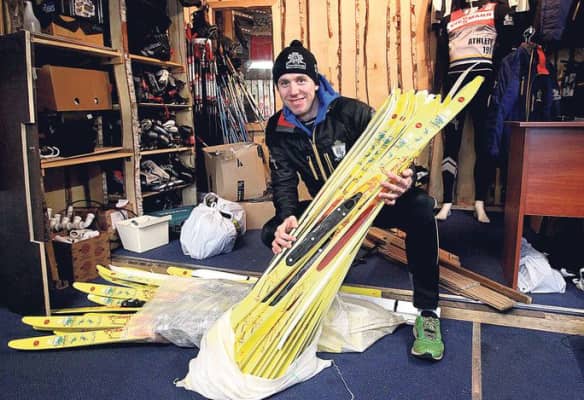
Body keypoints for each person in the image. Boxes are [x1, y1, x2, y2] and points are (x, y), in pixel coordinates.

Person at [261, 40, 444, 361]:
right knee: (272, 231)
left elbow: (398, 151)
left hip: (374, 203)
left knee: (420, 207)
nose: (294, 90)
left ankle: (428, 311)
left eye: (301, 80)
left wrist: (408, 176)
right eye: (284, 82)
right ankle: (309, 292)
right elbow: (283, 181)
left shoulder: (351, 112)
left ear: (315, 81)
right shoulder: (278, 128)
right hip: (331, 211)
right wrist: (287, 216)